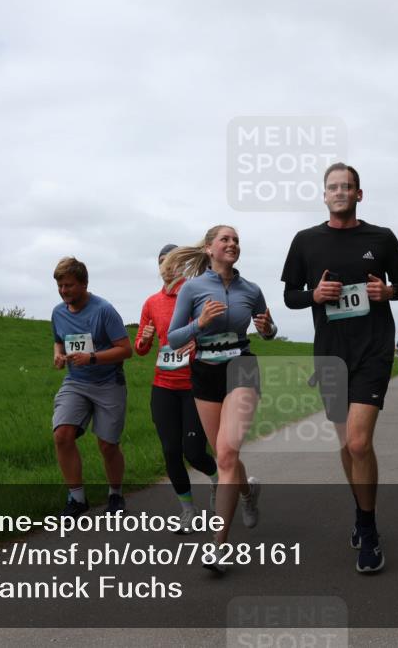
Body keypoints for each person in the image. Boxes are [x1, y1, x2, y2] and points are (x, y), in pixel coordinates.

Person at [281, 163, 398, 574]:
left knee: (358, 443)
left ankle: (368, 530)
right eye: (333, 187)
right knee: (344, 443)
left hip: (373, 349)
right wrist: (315, 294)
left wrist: (386, 290)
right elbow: (289, 296)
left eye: (347, 187)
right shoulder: (305, 241)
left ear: (359, 194)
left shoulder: (382, 238)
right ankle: (361, 511)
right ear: (324, 195)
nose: (340, 192)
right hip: (331, 353)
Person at [166, 225, 277, 573]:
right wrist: (199, 323)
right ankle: (247, 492)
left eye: (236, 240)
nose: (232, 244)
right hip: (205, 371)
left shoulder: (251, 289)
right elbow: (172, 338)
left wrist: (267, 329)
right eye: (225, 240)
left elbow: (268, 330)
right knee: (224, 456)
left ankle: (218, 546)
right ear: (210, 248)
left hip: (241, 366)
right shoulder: (193, 288)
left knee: (228, 453)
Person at [135, 243, 219, 534]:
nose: (167, 267)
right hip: (163, 386)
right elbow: (141, 349)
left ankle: (219, 479)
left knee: (194, 452)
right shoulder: (151, 303)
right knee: (171, 451)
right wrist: (144, 339)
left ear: (182, 265)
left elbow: (214, 331)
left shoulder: (195, 295)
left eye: (172, 262)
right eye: (162, 262)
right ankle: (188, 510)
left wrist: (198, 338)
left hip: (193, 385)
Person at [50, 256, 133, 517]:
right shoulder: (58, 312)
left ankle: (115, 495)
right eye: (60, 286)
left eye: (69, 286)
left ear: (84, 284)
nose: (64, 291)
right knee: (61, 435)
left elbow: (126, 350)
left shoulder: (103, 310)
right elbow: (58, 340)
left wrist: (92, 357)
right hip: (76, 382)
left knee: (107, 445)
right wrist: (58, 354)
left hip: (108, 382)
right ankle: (77, 500)